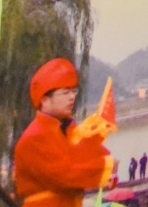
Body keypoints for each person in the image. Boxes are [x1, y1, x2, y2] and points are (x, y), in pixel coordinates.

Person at [13, 59, 112, 207]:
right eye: (65, 92)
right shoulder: (34, 137)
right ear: (45, 100)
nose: (72, 97)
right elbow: (64, 176)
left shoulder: (66, 129)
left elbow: (84, 155)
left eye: (73, 91)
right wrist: (105, 167)